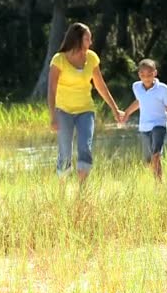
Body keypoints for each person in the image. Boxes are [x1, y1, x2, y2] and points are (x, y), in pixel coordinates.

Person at [48, 22, 123, 184]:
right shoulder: (58, 60)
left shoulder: (92, 58)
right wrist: (53, 115)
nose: (90, 42)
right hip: (64, 111)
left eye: (90, 39)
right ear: (77, 39)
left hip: (86, 110)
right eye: (87, 39)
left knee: (85, 148)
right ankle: (60, 191)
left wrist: (115, 109)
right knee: (65, 152)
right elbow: (51, 89)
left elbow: (100, 85)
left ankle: (81, 193)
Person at [121, 59, 167, 181]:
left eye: (149, 74)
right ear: (139, 74)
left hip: (159, 125)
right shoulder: (136, 87)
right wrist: (127, 113)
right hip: (144, 127)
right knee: (148, 160)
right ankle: (157, 178)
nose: (146, 78)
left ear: (155, 73)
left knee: (156, 154)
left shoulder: (163, 89)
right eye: (143, 75)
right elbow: (139, 101)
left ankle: (159, 184)